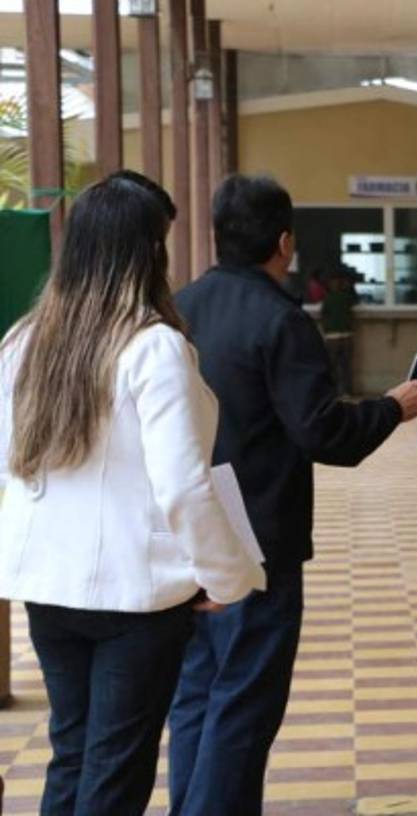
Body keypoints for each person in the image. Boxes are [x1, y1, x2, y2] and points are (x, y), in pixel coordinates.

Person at [167, 174, 417, 816]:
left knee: (196, 694)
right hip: (259, 540)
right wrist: (391, 408)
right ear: (284, 241)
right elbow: (325, 433)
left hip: (185, 534)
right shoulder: (281, 321)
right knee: (243, 705)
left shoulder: (176, 309)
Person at [0, 172, 266, 815]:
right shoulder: (154, 349)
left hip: (47, 586)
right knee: (116, 767)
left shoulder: (24, 342)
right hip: (136, 598)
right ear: (148, 251)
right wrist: (225, 578)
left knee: (73, 752)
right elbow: (183, 485)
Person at [321, 270, 358, 397]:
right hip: (346, 335)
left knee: (332, 366)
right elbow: (355, 302)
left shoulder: (328, 298)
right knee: (346, 365)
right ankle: (347, 391)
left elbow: (323, 315)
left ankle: (333, 391)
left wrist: (326, 330)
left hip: (332, 337)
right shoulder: (347, 297)